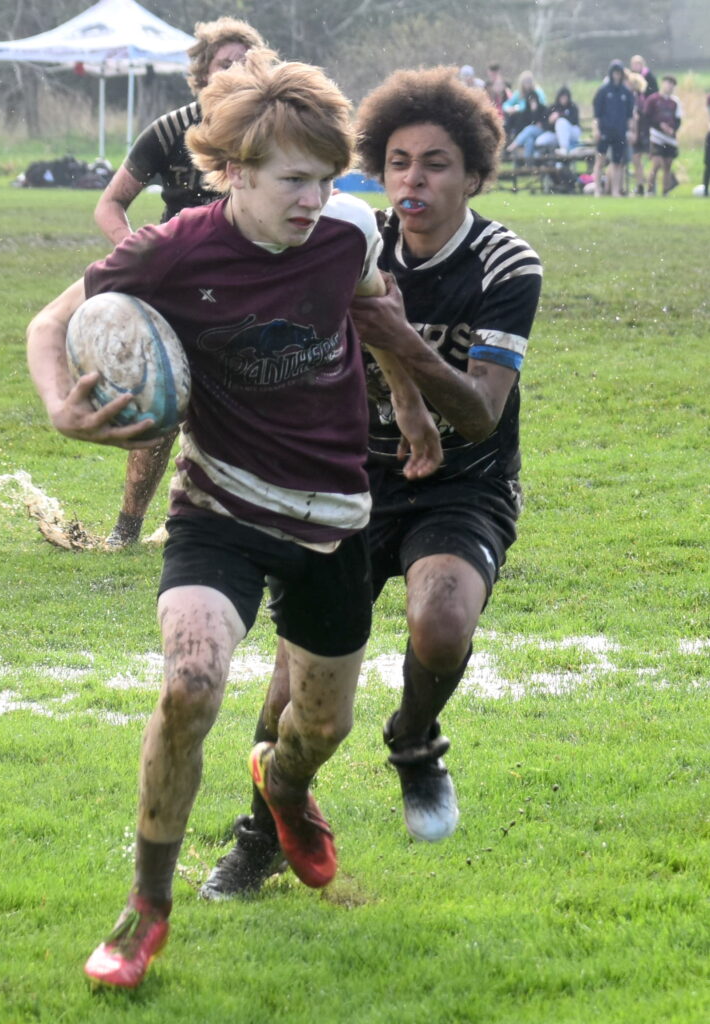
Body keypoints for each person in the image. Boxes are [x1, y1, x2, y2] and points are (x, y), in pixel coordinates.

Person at [26, 51, 441, 989]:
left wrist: (412, 410)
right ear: (237, 170)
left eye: (329, 180)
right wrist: (61, 405)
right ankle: (145, 908)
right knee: (192, 683)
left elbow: (379, 312)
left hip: (335, 513)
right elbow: (48, 328)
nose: (316, 198)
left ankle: (282, 786)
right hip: (219, 508)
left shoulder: (345, 236)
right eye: (296, 180)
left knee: (320, 727)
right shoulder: (172, 248)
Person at [200, 65, 543, 899]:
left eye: (434, 163)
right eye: (397, 162)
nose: (413, 180)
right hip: (347, 479)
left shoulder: (506, 263)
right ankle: (261, 834)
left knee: (441, 625)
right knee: (290, 686)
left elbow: (481, 415)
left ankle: (415, 740)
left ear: (473, 174)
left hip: (463, 481)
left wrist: (401, 340)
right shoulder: (350, 238)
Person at [95, 17, 267, 550]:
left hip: (253, 287)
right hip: (179, 288)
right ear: (201, 75)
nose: (235, 71)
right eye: (224, 63)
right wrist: (136, 257)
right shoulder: (171, 131)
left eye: (245, 61)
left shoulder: (268, 128)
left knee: (247, 406)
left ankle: (229, 518)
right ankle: (125, 529)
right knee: (163, 406)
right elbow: (110, 203)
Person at [591, 59, 635, 197]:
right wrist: (596, 129)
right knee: (600, 160)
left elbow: (630, 115)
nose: (616, 75)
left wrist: (631, 131)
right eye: (614, 72)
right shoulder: (603, 91)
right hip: (605, 130)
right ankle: (597, 189)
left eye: (619, 72)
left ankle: (616, 190)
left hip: (620, 131)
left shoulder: (626, 93)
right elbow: (597, 114)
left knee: (617, 162)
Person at [644, 75, 682, 196]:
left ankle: (665, 191)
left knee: (667, 165)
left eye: (672, 84)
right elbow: (647, 117)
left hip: (669, 138)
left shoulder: (675, 102)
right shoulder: (653, 99)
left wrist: (672, 130)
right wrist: (660, 125)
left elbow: (678, 120)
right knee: (657, 164)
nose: (669, 86)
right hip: (656, 136)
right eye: (667, 83)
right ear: (663, 84)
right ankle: (649, 190)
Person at [535, 85, 581, 155]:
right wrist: (550, 122)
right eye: (562, 97)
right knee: (540, 141)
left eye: (565, 97)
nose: (564, 99)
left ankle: (564, 149)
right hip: (556, 134)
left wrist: (560, 116)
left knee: (561, 122)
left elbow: (574, 120)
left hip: (571, 132)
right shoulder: (552, 108)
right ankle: (547, 158)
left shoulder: (572, 107)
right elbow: (545, 124)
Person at [505, 90, 549, 163]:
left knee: (530, 129)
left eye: (534, 100)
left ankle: (512, 146)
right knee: (529, 140)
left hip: (542, 132)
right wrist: (532, 113)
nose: (532, 102)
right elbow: (524, 124)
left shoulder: (543, 109)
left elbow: (544, 123)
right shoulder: (526, 112)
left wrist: (535, 112)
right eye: (531, 100)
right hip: (529, 135)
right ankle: (529, 164)